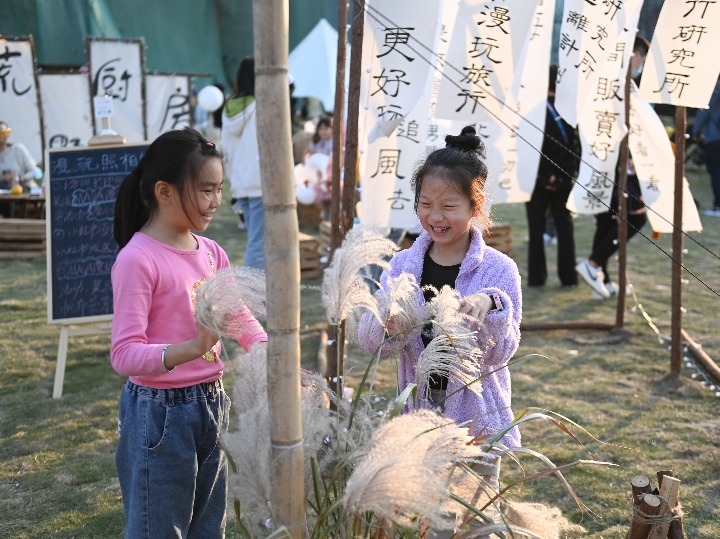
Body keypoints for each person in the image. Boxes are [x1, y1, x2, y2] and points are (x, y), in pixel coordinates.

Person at [111, 127, 267, 538]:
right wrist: (193, 347)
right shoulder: (138, 259)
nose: (216, 201)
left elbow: (236, 315)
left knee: (207, 526)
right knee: (159, 528)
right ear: (164, 191)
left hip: (211, 403)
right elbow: (124, 354)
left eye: (219, 189)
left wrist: (270, 353)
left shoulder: (211, 251)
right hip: (159, 414)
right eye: (206, 190)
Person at [357, 126, 522, 454]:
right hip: (418, 418)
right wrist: (386, 325)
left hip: (479, 426)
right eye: (426, 203)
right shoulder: (403, 265)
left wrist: (491, 304)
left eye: (449, 206)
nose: (435, 216)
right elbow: (371, 343)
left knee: (477, 504)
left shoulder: (499, 270)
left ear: (475, 206)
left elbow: (500, 353)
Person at [524, 65, 581, 288]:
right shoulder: (568, 110)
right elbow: (576, 147)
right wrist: (564, 174)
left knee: (537, 229)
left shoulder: (533, 111)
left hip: (537, 179)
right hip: (562, 179)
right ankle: (569, 278)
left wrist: (544, 176)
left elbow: (528, 149)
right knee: (564, 228)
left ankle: (537, 279)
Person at [575, 160, 647, 299]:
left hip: (603, 168)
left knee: (606, 221)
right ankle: (593, 264)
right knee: (634, 218)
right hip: (611, 169)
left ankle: (602, 280)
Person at [222, 56, 265, 269]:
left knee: (254, 241)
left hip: (240, 182)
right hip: (260, 181)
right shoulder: (259, 106)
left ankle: (255, 293)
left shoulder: (229, 107)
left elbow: (225, 147)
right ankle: (254, 295)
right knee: (259, 244)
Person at [693, 76, 720, 216]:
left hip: (715, 136)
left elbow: (704, 112)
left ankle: (718, 205)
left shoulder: (715, 88)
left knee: (716, 171)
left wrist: (696, 131)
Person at [0, 120, 41, 191]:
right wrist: (3, 178)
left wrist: (19, 178)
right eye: (2, 132)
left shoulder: (18, 149)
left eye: (8, 131)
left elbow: (34, 171)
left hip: (26, 192)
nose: (6, 134)